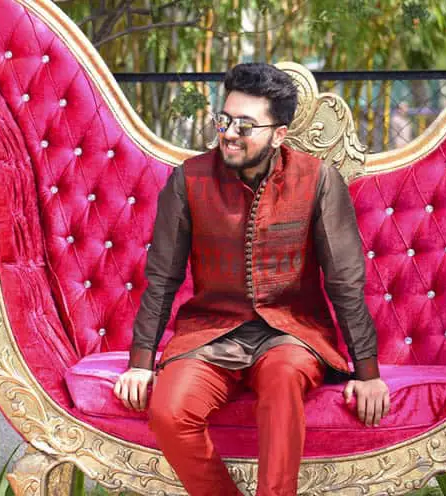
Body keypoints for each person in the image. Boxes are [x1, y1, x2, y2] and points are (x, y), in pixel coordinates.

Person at [114, 62, 390, 496]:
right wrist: (140, 362)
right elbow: (162, 277)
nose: (229, 133)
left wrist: (368, 370)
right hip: (210, 333)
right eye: (224, 120)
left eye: (245, 125)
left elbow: (344, 280)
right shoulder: (189, 180)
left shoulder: (317, 180)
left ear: (279, 134)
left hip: (290, 335)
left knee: (282, 383)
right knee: (169, 412)